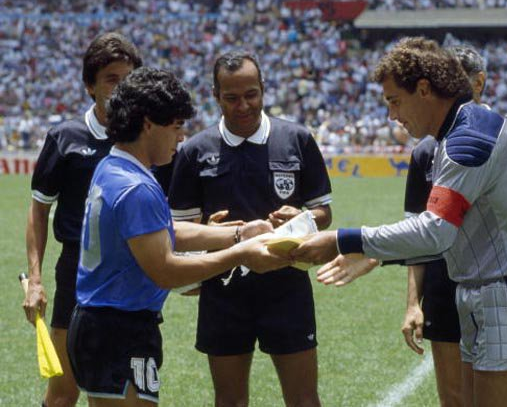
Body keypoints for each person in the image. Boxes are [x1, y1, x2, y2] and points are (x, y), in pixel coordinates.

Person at [292, 37, 507, 407]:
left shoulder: (470, 138)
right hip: (486, 292)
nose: (391, 115)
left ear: (423, 90)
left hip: (504, 295)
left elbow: (436, 230)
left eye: (394, 101)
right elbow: (444, 231)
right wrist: (374, 255)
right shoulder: (460, 131)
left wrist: (342, 240)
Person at [66, 67, 289, 407]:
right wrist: (242, 253)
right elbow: (166, 271)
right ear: (148, 124)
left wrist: (236, 233)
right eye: (176, 126)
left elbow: (159, 231)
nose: (182, 137)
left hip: (106, 324)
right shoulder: (136, 187)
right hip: (118, 329)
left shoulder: (114, 167)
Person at [399, 44, 507, 407]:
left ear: (479, 82)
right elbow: (418, 232)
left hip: (500, 285)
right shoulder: (425, 151)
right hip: (445, 285)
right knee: (454, 398)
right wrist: (413, 303)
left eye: (456, 81)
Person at [167, 50, 332, 407]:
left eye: (251, 95)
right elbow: (177, 228)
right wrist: (208, 230)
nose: (243, 106)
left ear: (263, 89)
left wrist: (303, 218)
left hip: (287, 285)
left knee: (304, 400)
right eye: (231, 98)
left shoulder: (297, 139)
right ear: (215, 95)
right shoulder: (194, 151)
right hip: (223, 290)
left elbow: (323, 211)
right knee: (229, 401)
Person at [23, 32, 142, 407]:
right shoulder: (65, 138)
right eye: (111, 79)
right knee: (63, 395)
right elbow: (39, 210)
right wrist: (35, 280)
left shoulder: (146, 137)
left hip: (132, 273)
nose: (122, 88)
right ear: (90, 85)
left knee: (118, 396)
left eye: (129, 79)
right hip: (77, 272)